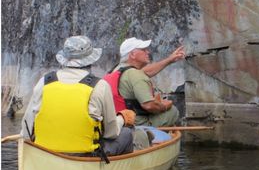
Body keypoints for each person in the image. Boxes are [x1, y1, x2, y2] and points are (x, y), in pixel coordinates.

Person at [20, 35, 150, 159]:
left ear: (64, 59)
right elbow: (111, 133)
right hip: (86, 155)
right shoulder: (100, 85)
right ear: (91, 60)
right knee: (127, 133)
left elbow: (26, 128)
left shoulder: (44, 81)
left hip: (46, 152)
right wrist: (122, 118)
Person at [104, 37, 185, 127]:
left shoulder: (116, 70)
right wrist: (164, 106)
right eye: (143, 50)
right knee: (173, 111)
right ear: (133, 54)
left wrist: (170, 59)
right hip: (136, 123)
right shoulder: (136, 75)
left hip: (118, 120)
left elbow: (146, 71)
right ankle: (158, 137)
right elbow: (149, 106)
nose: (148, 52)